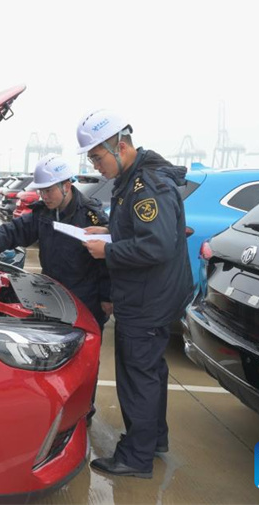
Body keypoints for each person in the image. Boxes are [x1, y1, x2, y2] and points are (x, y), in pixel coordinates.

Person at [77, 109, 192, 479]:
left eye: (97, 157)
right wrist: (109, 233)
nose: (96, 166)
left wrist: (107, 251)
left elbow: (155, 245)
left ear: (120, 146)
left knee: (137, 376)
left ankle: (136, 458)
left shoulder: (147, 185)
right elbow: (142, 233)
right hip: (151, 295)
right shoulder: (133, 180)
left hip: (147, 299)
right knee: (151, 373)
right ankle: (154, 440)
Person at [0, 154, 112, 330]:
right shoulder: (44, 213)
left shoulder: (91, 217)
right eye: (41, 191)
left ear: (66, 186)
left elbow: (106, 261)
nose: (44, 196)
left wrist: (107, 297)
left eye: (48, 190)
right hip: (53, 294)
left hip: (85, 300)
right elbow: (17, 229)